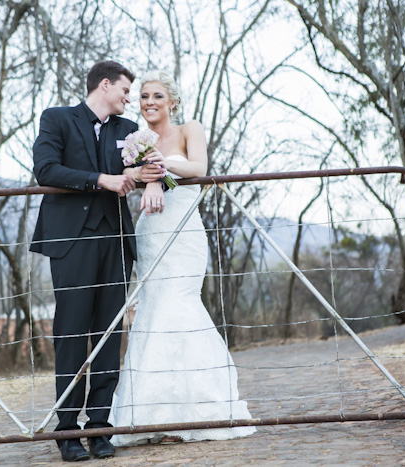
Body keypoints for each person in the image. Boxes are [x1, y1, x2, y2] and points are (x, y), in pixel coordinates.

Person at [109, 70, 256, 445]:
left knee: (182, 303)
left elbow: (199, 169)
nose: (149, 102)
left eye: (157, 96)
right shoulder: (133, 138)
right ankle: (152, 414)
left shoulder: (191, 128)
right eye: (143, 96)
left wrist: (162, 165)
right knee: (152, 309)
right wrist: (145, 174)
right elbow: (126, 173)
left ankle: (198, 408)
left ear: (171, 101)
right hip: (151, 232)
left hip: (185, 231)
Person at [30, 60, 159, 462]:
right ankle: (67, 432)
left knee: (109, 335)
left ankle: (99, 429)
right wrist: (101, 179)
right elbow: (45, 169)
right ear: (105, 85)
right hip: (71, 242)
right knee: (71, 334)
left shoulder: (129, 132)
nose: (129, 98)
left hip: (117, 242)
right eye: (125, 91)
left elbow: (156, 168)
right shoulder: (57, 119)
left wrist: (153, 179)